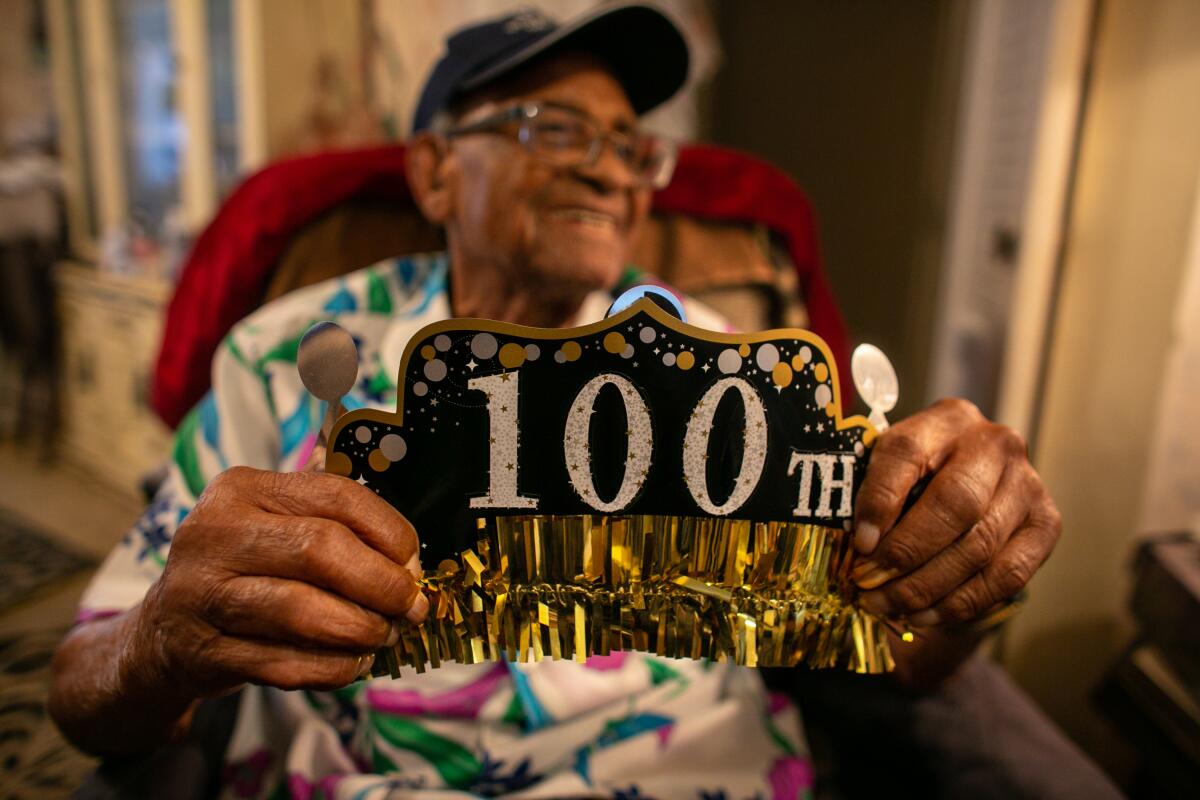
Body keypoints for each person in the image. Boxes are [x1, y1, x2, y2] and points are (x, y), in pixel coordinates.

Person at [49, 5, 1063, 798]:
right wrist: (157, 643)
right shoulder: (287, 352)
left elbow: (901, 660)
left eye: (631, 145)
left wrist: (965, 571)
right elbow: (84, 682)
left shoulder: (733, 358)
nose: (607, 168)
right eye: (551, 125)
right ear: (437, 174)